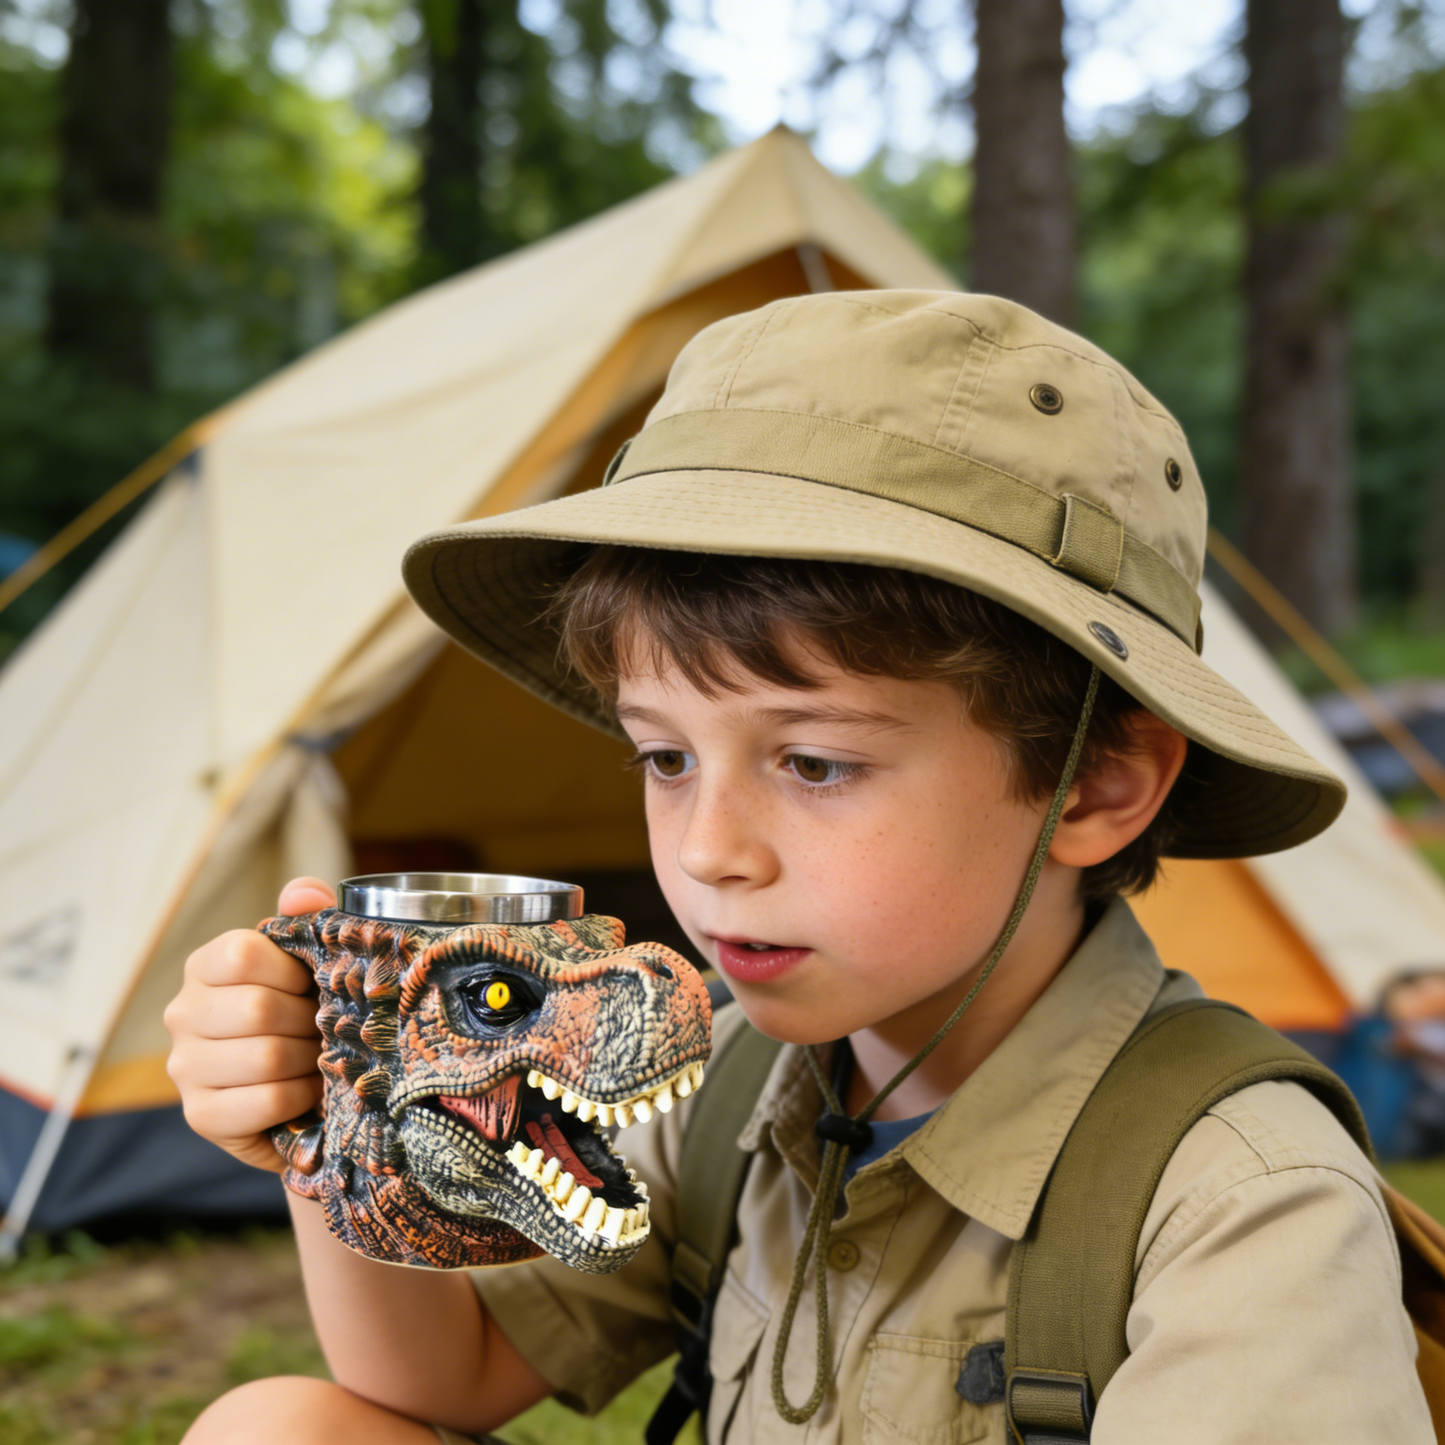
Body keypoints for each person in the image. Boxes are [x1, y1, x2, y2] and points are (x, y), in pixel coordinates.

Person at [164, 290, 1432, 1443]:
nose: (707, 852)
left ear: (1093, 783)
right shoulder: (728, 1087)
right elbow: (447, 1375)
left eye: (815, 764)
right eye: (663, 758)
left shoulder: (1238, 1201)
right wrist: (334, 1119)